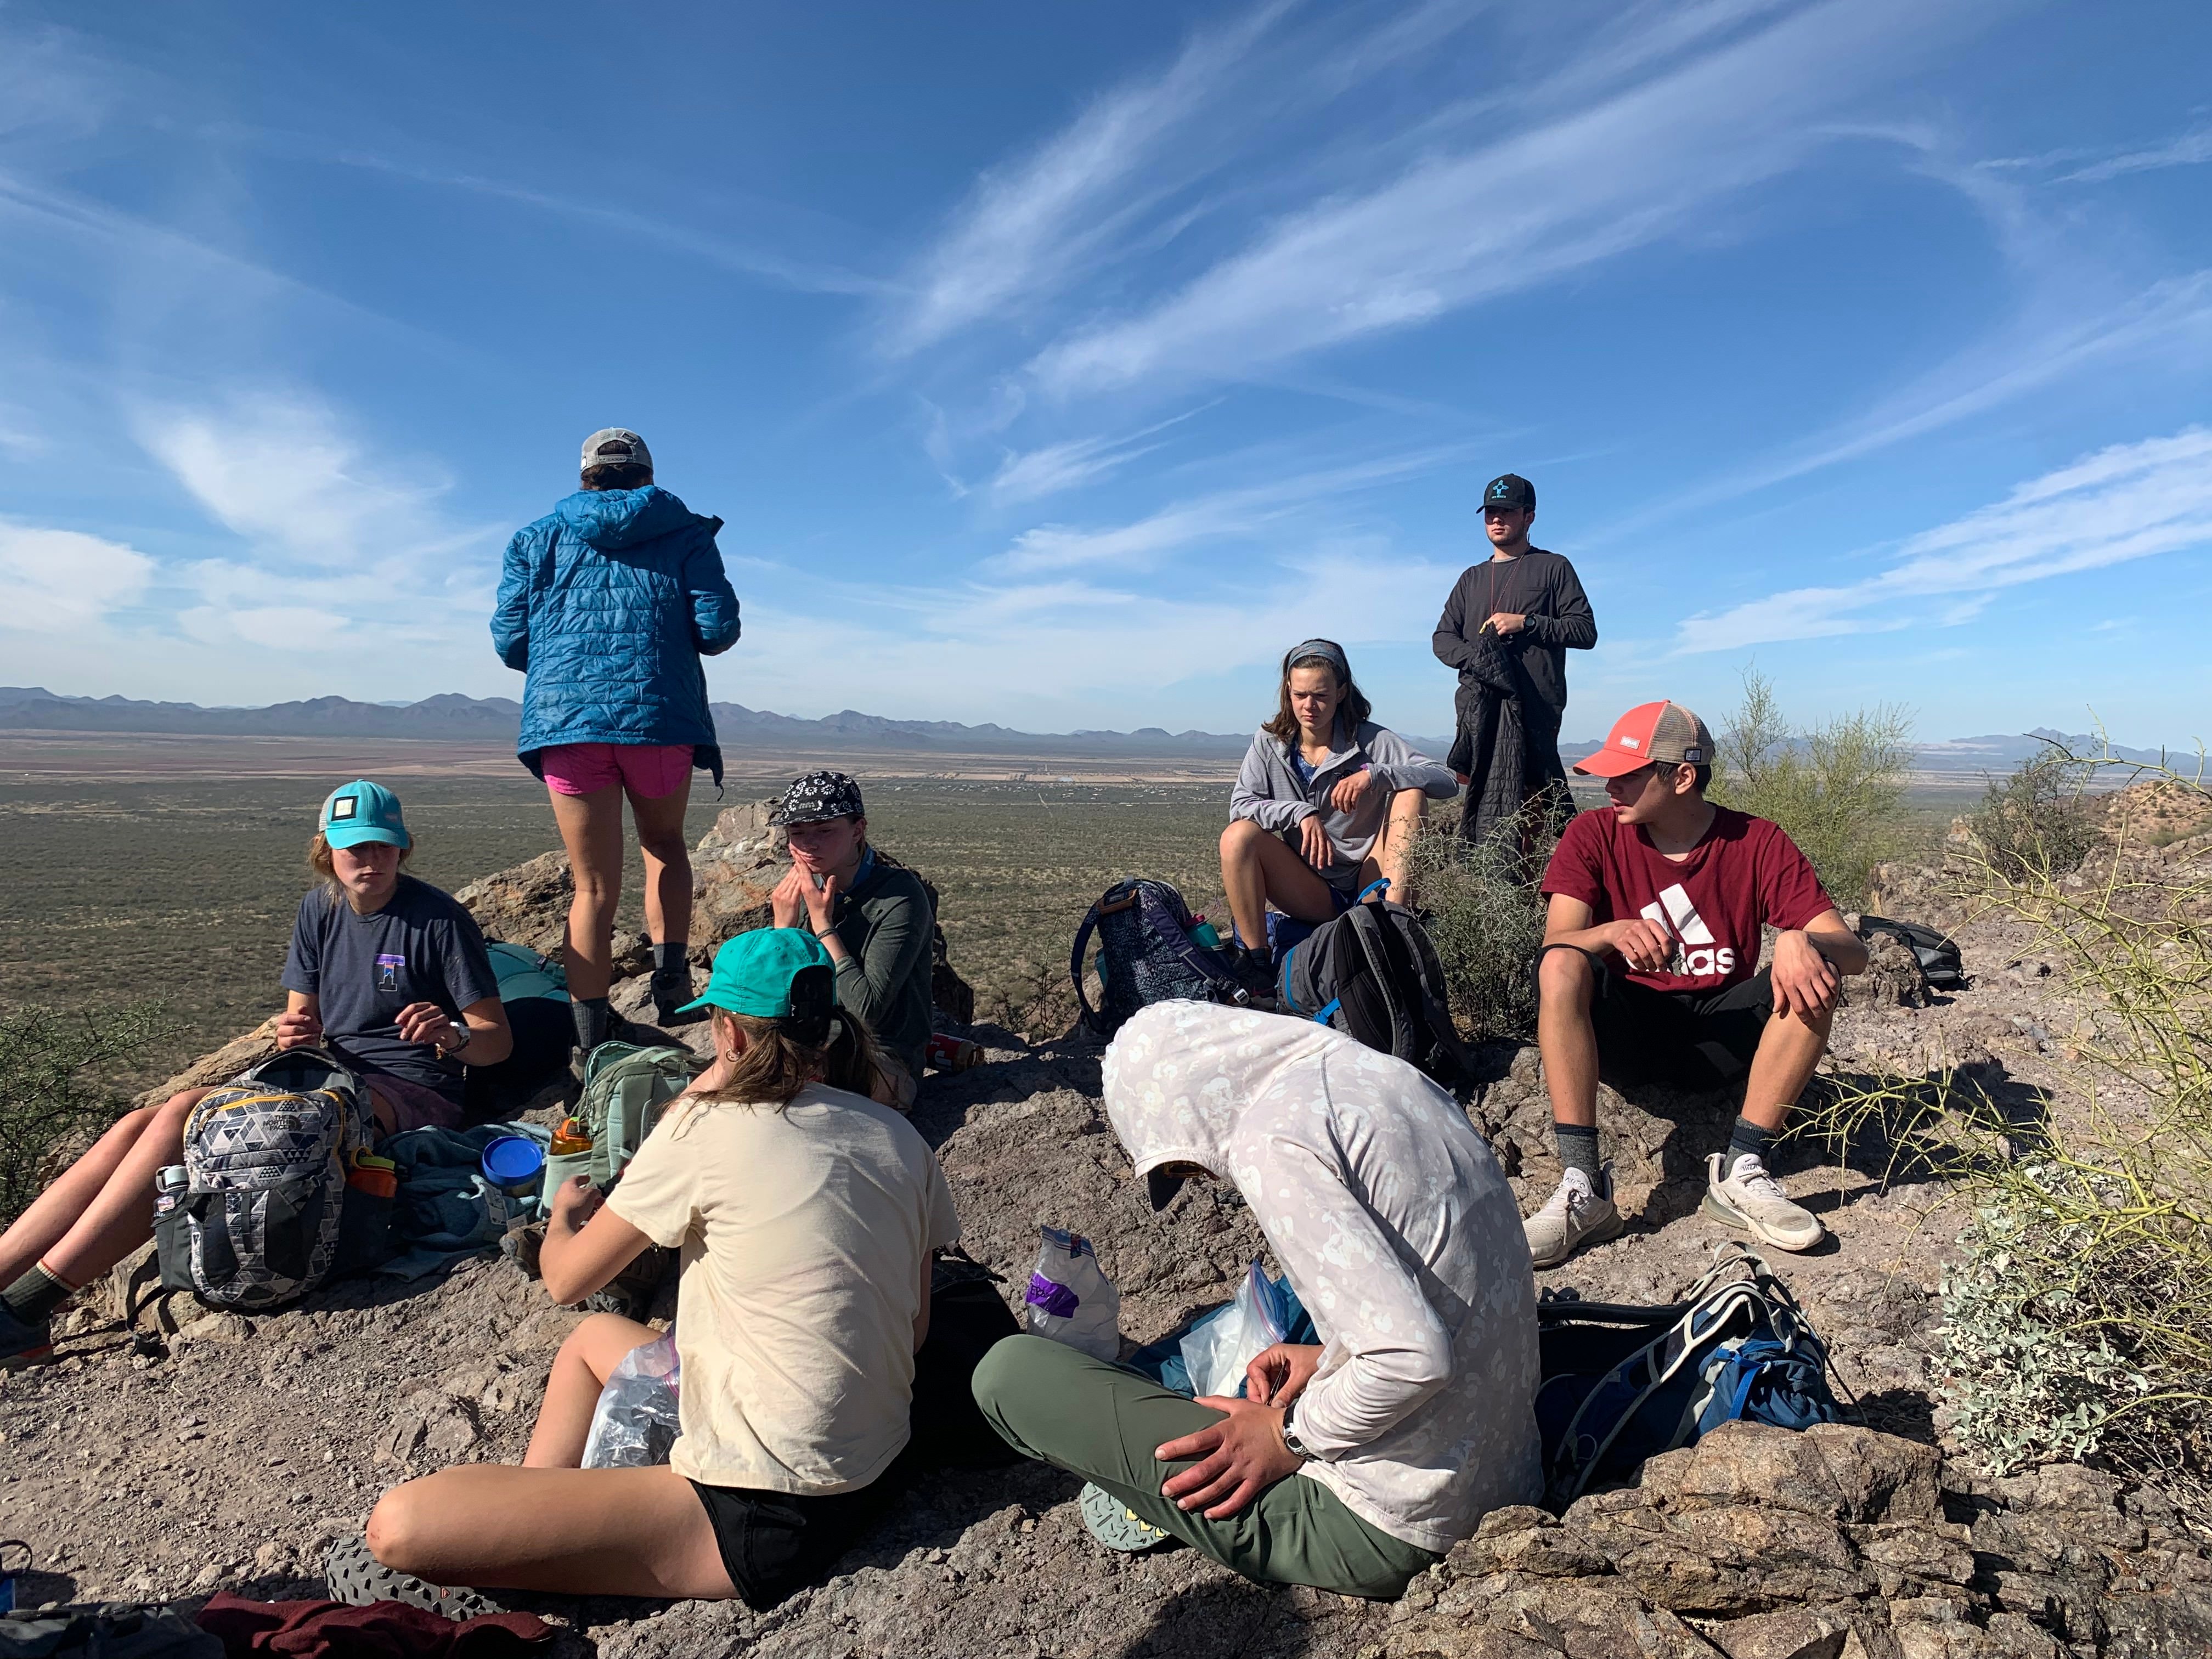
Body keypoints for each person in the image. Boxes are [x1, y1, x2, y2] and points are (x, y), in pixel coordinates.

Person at [341, 929, 960, 1612]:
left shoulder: (703, 1129)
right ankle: (534, 1516)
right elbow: (914, 1332)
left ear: (731, 1033)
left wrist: (566, 1220)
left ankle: (530, 1553)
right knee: (593, 1341)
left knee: (395, 1529)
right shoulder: (898, 1137)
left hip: (760, 1510)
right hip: (875, 1460)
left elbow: (567, 1281)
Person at [973, 1001, 1540, 1600]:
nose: (1203, 1179)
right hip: (1509, 1465)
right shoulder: (1385, 1076)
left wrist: (1286, 1433)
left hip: (1397, 1521)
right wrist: (1330, 1357)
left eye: (1185, 1165)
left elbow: (1413, 1358)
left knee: (1009, 1374)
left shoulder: (1271, 1142)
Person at [0, 781, 512, 1367]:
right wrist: (295, 1032)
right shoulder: (319, 909)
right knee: (141, 1121)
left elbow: (495, 1044)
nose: (370, 861)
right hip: (331, 1076)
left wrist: (451, 1035)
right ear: (328, 852)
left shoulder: (439, 920)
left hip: (414, 1091)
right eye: (355, 849)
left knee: (183, 1118)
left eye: (383, 847)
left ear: (402, 848)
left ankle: (25, 1309)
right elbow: (303, 1016)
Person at [1523, 701, 1869, 1269]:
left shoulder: (1756, 842)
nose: (1611, 787)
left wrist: (1801, 941)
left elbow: (1854, 954)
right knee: (1563, 965)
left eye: (1628, 775)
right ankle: (1583, 1187)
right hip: (1629, 1035)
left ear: (1682, 776)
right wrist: (1612, 931)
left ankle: (1742, 1170)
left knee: (1819, 970)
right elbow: (1555, 945)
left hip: (1721, 1037)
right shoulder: (1592, 835)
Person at [490, 427, 742, 1045]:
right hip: (660, 718)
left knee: (592, 885)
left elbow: (509, 641)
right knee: (664, 846)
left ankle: (589, 1037)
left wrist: (569, 669)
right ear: (647, 474)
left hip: (567, 723)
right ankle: (672, 986)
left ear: (585, 476)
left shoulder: (534, 539)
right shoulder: (685, 534)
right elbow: (717, 629)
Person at [1221, 639, 1457, 973]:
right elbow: (1241, 806)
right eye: (1300, 695)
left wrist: (1376, 775)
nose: (1309, 706)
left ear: (1342, 693)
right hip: (1312, 890)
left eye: (1321, 696)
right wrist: (1299, 812)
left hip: (1370, 879)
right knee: (1237, 837)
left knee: (1411, 794)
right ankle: (1256, 964)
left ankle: (1394, 932)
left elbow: (1445, 779)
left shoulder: (1371, 741)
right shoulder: (1269, 744)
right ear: (1288, 690)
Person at [1431, 473, 1596, 847]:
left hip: (1536, 708)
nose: (1497, 519)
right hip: (1479, 711)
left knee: (1535, 808)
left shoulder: (1554, 568)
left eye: (1507, 511)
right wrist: (1481, 658)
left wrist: (1527, 623)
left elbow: (1585, 631)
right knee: (1484, 806)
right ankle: (1487, 893)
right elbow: (1442, 639)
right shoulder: (1471, 579)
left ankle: (1535, 895)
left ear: (1529, 516)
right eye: (1491, 511)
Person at [766, 771, 933, 1106]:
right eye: (797, 833)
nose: (809, 844)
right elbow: (773, 1002)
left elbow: (866, 1011)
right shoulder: (800, 891)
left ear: (858, 830)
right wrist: (783, 930)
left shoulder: (898, 897)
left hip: (879, 1059)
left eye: (825, 831)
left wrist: (823, 926)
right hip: (811, 1045)